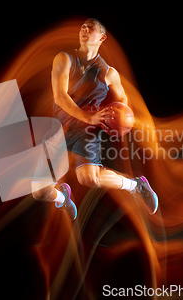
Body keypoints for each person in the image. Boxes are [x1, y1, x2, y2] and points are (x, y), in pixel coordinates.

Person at [32, 18, 158, 219]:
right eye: (83, 27)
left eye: (90, 27)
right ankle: (62, 198)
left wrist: (117, 119)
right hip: (60, 128)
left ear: (102, 37)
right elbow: (60, 96)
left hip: (86, 133)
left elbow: (123, 101)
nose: (84, 29)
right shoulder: (64, 59)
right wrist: (87, 116)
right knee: (39, 191)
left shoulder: (109, 73)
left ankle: (136, 185)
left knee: (89, 178)